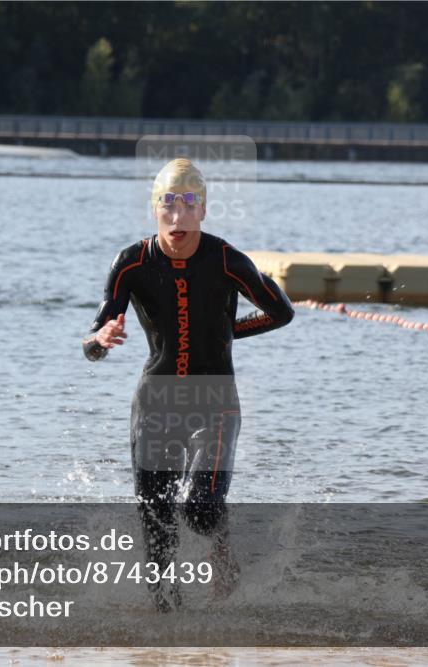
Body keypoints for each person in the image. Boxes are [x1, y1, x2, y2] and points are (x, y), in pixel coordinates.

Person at [82, 158, 293, 611]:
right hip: (155, 404)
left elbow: (281, 312)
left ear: (203, 210)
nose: (178, 218)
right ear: (155, 208)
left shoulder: (225, 259)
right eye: (168, 205)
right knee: (158, 534)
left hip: (214, 402)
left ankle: (221, 548)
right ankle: (166, 643)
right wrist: (99, 339)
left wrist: (229, 331)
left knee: (199, 510)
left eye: (189, 205)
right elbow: (93, 341)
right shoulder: (131, 263)